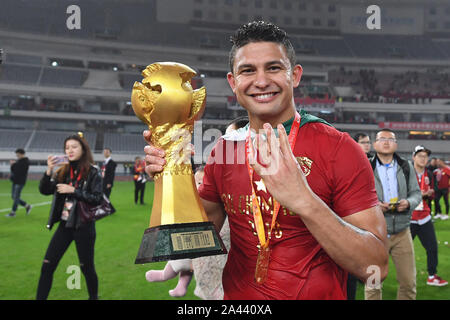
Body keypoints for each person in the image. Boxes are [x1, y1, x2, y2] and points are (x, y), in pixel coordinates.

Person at [143, 21, 388, 300]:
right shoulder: (223, 151)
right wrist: (174, 177)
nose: (261, 81)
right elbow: (193, 244)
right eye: (248, 70)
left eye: (273, 68)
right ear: (233, 83)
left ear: (294, 75)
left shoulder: (340, 149)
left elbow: (375, 267)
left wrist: (304, 200)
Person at [36, 133, 103, 300]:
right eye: (67, 148)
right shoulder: (63, 171)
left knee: (86, 267)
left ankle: (93, 297)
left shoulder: (93, 172)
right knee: (47, 266)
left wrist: (73, 191)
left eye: (74, 147)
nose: (70, 150)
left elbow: (97, 199)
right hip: (65, 226)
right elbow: (45, 190)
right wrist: (49, 170)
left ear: (83, 149)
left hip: (84, 227)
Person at [365, 129, 421, 300]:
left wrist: (408, 203)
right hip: (375, 234)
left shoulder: (406, 166)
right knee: (372, 285)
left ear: (396, 144)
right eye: (382, 139)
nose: (387, 142)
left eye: (391, 139)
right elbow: (358, 196)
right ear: (375, 144)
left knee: (408, 283)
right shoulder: (366, 166)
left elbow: (416, 194)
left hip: (402, 233)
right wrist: (375, 206)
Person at [410, 145, 448, 286]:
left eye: (425, 156)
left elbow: (434, 191)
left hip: (425, 217)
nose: (423, 158)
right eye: (420, 155)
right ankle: (376, 275)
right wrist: (421, 194)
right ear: (413, 157)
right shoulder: (406, 173)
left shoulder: (430, 173)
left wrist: (431, 193)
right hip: (409, 219)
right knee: (397, 251)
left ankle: (432, 276)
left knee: (432, 248)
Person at [6, 148, 32, 217]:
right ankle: (27, 206)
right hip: (15, 181)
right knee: (14, 197)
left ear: (21, 154)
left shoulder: (25, 162)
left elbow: (20, 171)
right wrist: (12, 165)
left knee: (16, 197)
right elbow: (14, 170)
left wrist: (14, 164)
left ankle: (13, 212)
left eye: (18, 155)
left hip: (20, 182)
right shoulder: (19, 161)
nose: (17, 156)